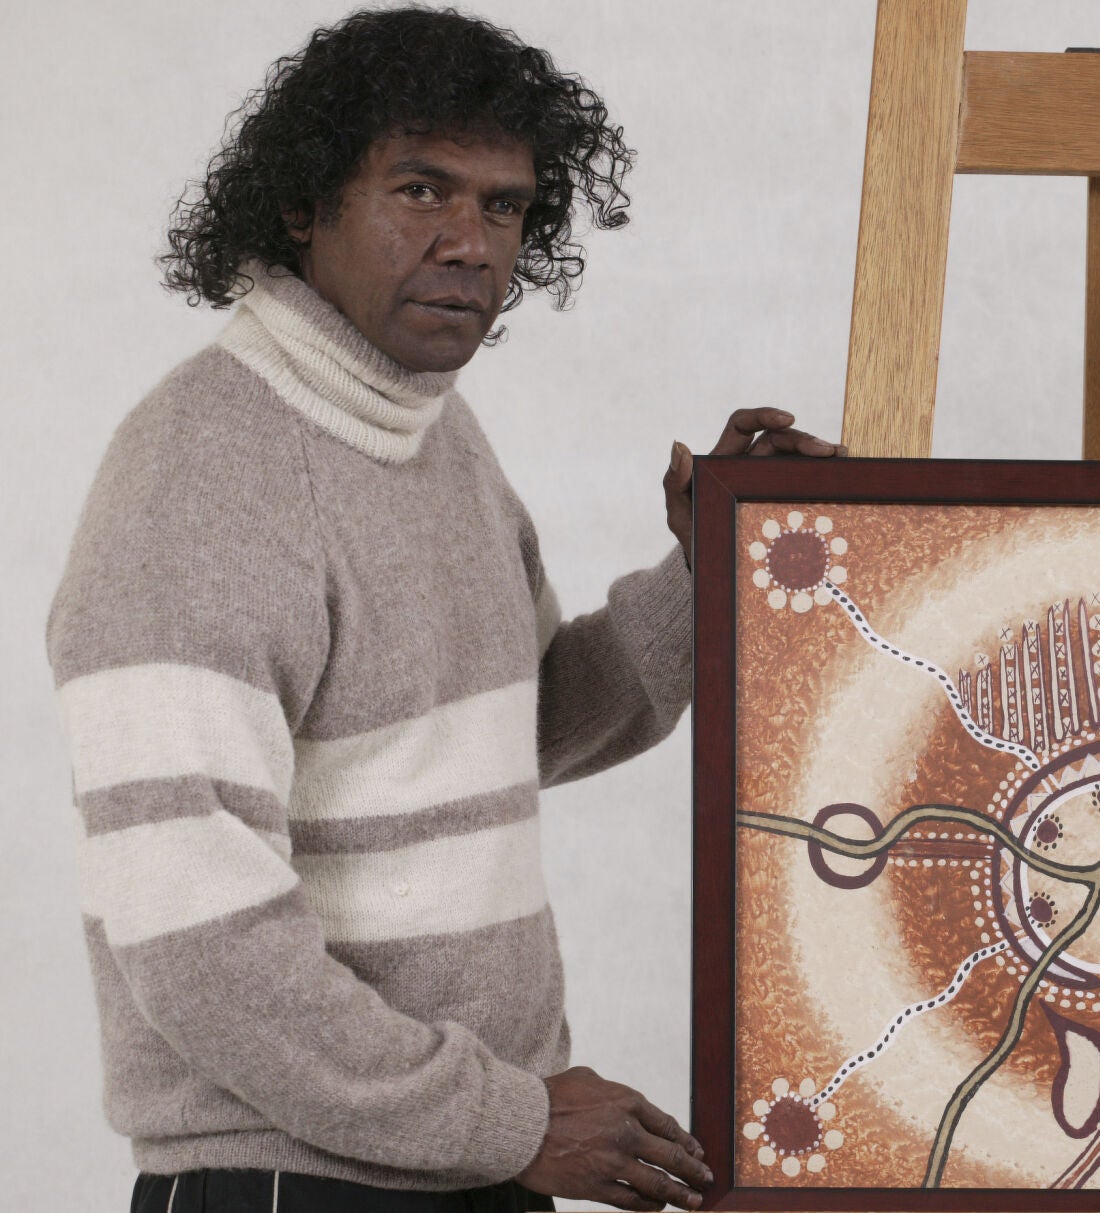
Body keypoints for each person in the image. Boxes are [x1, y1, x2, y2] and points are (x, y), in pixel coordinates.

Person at [44, 8, 841, 1212]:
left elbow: (511, 728)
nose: (470, 244)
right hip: (294, 1181)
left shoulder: (429, 430)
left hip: (470, 1157)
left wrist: (713, 567)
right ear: (303, 202)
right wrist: (505, 1120)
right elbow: (196, 944)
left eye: (505, 207)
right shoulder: (201, 475)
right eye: (421, 190)